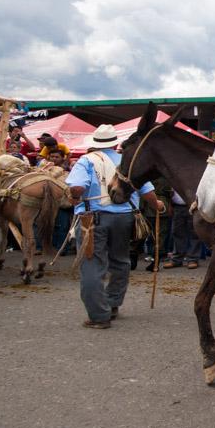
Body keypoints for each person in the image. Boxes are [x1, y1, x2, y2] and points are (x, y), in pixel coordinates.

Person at [66, 124, 164, 329]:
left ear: (95, 143)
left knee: (92, 264)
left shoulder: (86, 161)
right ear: (115, 142)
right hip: (125, 217)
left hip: (92, 218)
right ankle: (112, 304)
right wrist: (157, 206)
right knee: (120, 260)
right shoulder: (126, 160)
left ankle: (99, 316)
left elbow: (76, 187)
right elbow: (147, 191)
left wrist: (75, 196)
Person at [163, 189, 200, 269]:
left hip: (193, 205)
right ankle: (176, 259)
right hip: (177, 206)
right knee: (176, 232)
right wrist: (170, 204)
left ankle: (193, 259)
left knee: (194, 233)